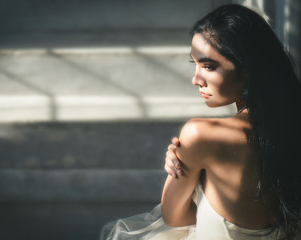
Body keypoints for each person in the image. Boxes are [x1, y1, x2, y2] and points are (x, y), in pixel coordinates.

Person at [100, 4, 301, 239]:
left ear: (247, 69)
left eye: (208, 66)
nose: (196, 80)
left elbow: (174, 218)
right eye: (194, 65)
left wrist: (190, 169)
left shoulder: (201, 134)